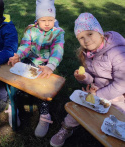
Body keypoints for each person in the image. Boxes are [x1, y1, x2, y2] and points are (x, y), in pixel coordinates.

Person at [50, 13, 125, 147]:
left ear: (99, 32)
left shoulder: (117, 52)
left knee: (120, 122)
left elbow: (121, 84)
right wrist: (84, 78)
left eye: (90, 34)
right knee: (78, 108)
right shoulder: (88, 53)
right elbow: (91, 76)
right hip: (96, 91)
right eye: (81, 37)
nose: (86, 40)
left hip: (118, 96)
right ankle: (66, 129)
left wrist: (98, 96)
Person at [8, 0, 65, 137]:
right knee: (16, 78)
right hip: (31, 60)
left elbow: (57, 51)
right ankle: (13, 105)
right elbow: (25, 46)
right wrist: (18, 55)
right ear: (37, 20)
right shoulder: (31, 30)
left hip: (46, 65)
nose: (47, 23)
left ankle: (45, 115)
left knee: (43, 88)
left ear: (54, 19)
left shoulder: (57, 33)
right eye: (43, 20)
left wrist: (51, 66)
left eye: (50, 20)